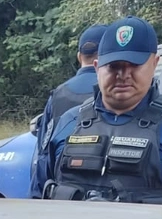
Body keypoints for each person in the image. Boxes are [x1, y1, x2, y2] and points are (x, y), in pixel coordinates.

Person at [35, 16, 162, 211]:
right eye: (114, 66)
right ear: (97, 67)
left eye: (134, 65)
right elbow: (36, 200)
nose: (123, 75)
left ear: (154, 63)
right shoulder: (67, 123)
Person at [33, 24, 108, 152]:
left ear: (79, 57)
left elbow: (43, 151)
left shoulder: (57, 94)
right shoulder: (120, 92)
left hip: (63, 164)